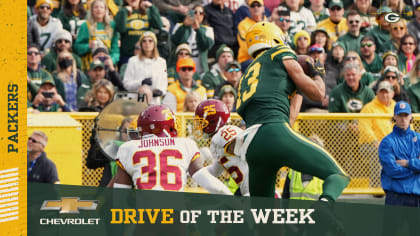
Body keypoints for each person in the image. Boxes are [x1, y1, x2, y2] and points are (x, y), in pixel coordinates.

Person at [236, 21, 349, 202]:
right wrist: (317, 71)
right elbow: (318, 94)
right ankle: (324, 207)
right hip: (274, 131)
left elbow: (290, 117)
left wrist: (296, 89)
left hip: (252, 145)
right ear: (275, 38)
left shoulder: (246, 75)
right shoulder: (279, 53)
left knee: (263, 218)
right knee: (337, 175)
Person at [109, 104, 233, 196]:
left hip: (146, 218)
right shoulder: (185, 144)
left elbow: (120, 197)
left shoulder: (128, 148)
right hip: (175, 218)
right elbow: (210, 183)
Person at [194, 99, 248, 195]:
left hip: (257, 191)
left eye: (202, 122)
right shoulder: (218, 140)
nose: (200, 127)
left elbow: (246, 146)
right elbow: (216, 171)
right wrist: (192, 171)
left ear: (214, 122)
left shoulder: (224, 133)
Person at [378, 101, 420, 207]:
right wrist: (416, 168)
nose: (403, 119)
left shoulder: (418, 138)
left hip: (416, 195)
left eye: (406, 115)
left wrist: (408, 163)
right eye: (400, 115)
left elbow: (397, 168)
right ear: (394, 117)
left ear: (411, 116)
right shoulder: (387, 142)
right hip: (395, 196)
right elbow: (392, 170)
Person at [359, 80, 396, 187]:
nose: (384, 95)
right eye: (382, 92)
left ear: (392, 93)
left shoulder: (398, 107)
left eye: (387, 92)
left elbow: (408, 126)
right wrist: (375, 141)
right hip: (370, 145)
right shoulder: (368, 108)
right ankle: (376, 187)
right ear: (377, 93)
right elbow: (365, 128)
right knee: (378, 151)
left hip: (394, 144)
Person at [73, 0, 120, 70]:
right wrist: (88, 46)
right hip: (90, 65)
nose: (99, 9)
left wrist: (112, 60)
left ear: (105, 10)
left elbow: (115, 49)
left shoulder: (112, 25)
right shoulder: (85, 25)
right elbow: (77, 47)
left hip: (108, 64)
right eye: (96, 7)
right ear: (91, 10)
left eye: (101, 7)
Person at [123, 31, 167, 104]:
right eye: (144, 41)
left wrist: (160, 91)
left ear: (154, 44)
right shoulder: (133, 61)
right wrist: (141, 82)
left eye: (150, 41)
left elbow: (164, 83)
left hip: (154, 102)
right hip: (136, 102)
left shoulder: (161, 62)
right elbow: (126, 83)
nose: (147, 43)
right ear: (141, 44)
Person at [114, 0, 163, 65]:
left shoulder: (147, 11)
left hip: (146, 54)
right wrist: (124, 11)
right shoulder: (122, 11)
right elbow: (121, 29)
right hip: (127, 55)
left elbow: (158, 25)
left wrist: (152, 7)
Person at [171, 4, 214, 75]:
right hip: (181, 69)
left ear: (203, 16)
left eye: (201, 13)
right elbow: (174, 41)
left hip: (200, 71)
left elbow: (207, 45)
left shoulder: (208, 29)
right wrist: (185, 26)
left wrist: (198, 30)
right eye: (195, 12)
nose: (197, 15)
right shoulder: (179, 26)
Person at [236, 0, 266, 71]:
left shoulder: (268, 22)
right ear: (249, 9)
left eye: (258, 5)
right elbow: (245, 47)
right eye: (253, 6)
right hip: (247, 59)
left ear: (263, 8)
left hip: (266, 57)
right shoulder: (243, 25)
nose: (256, 7)